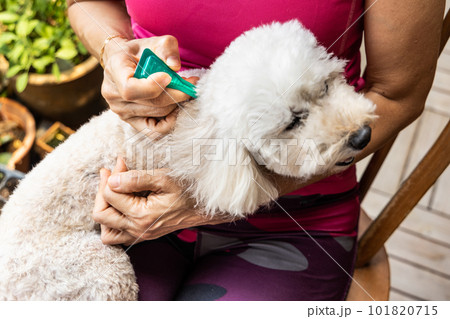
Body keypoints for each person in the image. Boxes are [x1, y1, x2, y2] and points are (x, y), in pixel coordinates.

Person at [67, 0, 444, 300]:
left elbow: (399, 94)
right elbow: (84, 4)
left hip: (294, 218)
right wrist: (112, 47)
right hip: (138, 194)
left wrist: (212, 202)